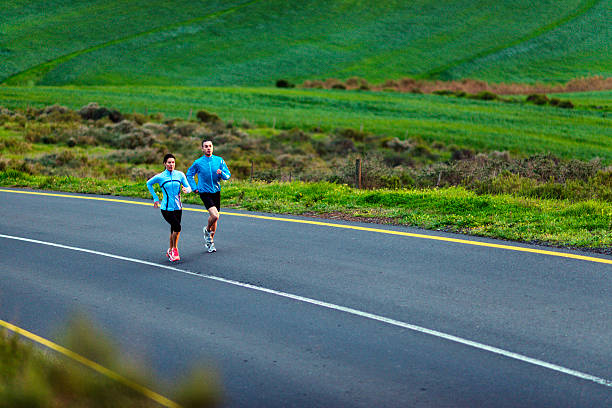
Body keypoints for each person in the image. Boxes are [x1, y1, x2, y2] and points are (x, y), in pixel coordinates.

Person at [186, 139, 231, 253]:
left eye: (210, 146)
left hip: (216, 191)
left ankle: (210, 242)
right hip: (204, 192)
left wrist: (222, 173)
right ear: (202, 149)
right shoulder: (198, 162)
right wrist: (194, 187)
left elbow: (227, 175)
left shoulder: (219, 160)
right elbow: (189, 174)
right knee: (215, 216)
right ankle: (206, 230)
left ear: (212, 147)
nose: (208, 148)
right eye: (206, 146)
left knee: (215, 219)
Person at [146, 153, 191, 262]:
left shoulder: (180, 175)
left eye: (173, 162)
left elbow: (188, 187)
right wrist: (155, 198)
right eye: (169, 162)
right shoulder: (161, 176)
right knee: (177, 227)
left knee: (174, 230)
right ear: (165, 164)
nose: (171, 164)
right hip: (166, 208)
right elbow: (148, 183)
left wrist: (187, 190)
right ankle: (175, 249)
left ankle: (170, 250)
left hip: (178, 207)